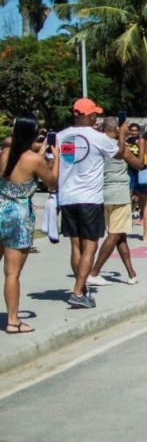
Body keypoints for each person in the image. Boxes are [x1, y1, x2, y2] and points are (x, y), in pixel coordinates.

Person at [57, 99, 122, 308]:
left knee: (75, 246)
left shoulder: (61, 136)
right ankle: (77, 291)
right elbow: (119, 153)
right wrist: (122, 136)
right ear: (89, 115)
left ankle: (81, 288)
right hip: (89, 199)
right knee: (90, 246)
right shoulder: (98, 138)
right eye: (94, 114)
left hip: (67, 198)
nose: (96, 117)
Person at [1, 113, 58, 333]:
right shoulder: (34, 160)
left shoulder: (6, 153)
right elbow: (53, 184)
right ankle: (13, 320)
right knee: (12, 273)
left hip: (1, 208)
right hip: (19, 215)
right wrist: (56, 160)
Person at [89, 117, 141, 286]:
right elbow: (139, 164)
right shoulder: (118, 147)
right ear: (116, 130)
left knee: (120, 235)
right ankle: (94, 272)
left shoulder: (98, 144)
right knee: (115, 234)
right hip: (119, 193)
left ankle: (131, 272)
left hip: (103, 192)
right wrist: (141, 147)